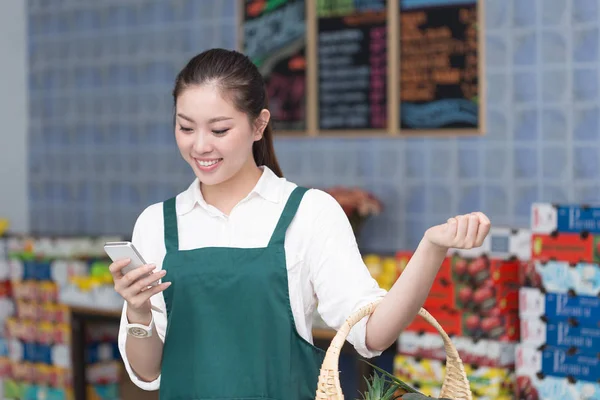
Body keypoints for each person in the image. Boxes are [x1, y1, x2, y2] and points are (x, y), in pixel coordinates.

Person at [110, 48, 491, 400]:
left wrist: (431, 247)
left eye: (219, 130)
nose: (200, 146)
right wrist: (139, 312)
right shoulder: (156, 224)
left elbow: (372, 334)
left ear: (259, 125)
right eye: (186, 128)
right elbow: (147, 372)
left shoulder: (310, 213)